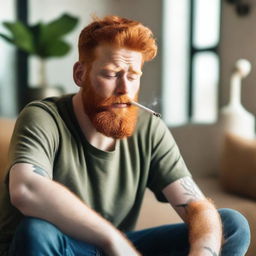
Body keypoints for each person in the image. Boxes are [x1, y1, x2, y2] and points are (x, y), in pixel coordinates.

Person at [0, 15, 250, 256]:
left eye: (133, 77)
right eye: (111, 74)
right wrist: (114, 240)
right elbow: (26, 189)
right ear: (80, 74)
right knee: (37, 231)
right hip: (62, 247)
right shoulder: (43, 116)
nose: (124, 90)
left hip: (117, 251)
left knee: (228, 225)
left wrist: (203, 251)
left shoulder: (149, 128)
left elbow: (196, 206)